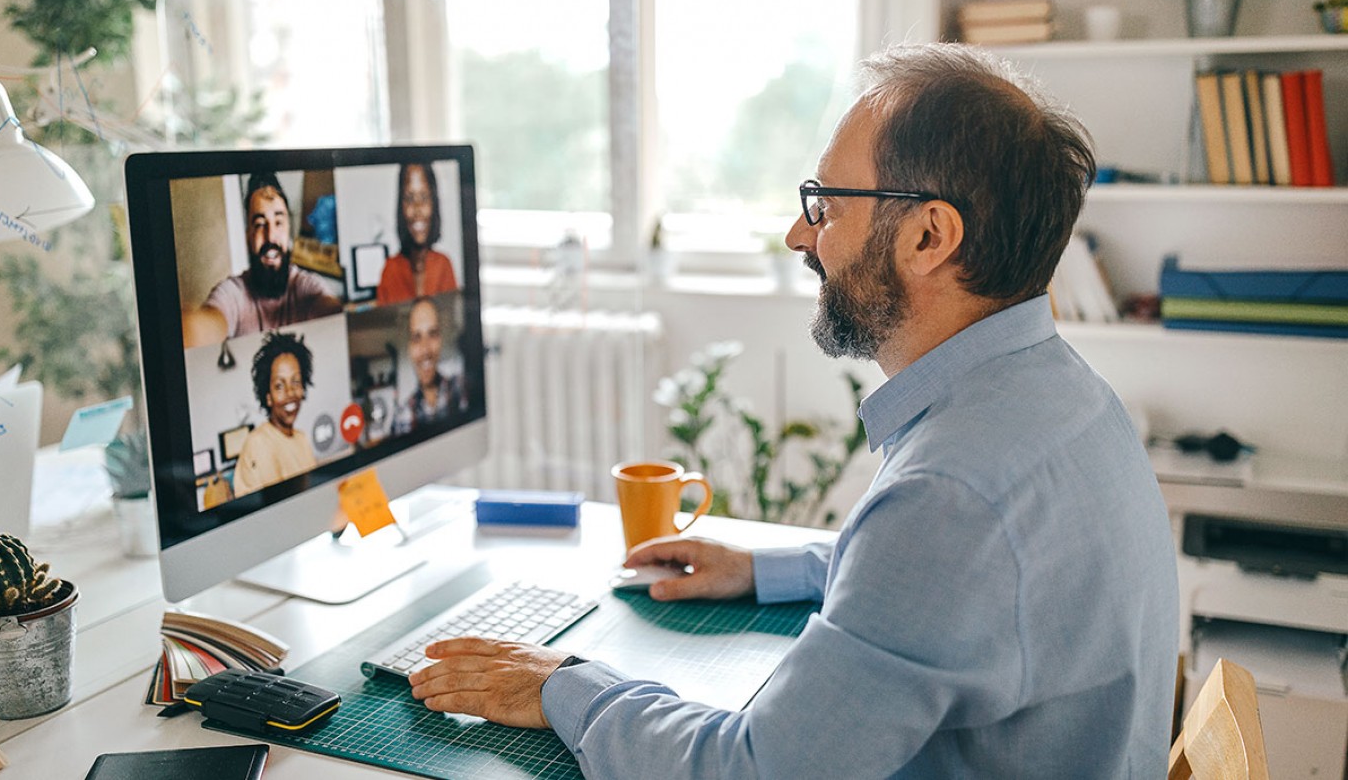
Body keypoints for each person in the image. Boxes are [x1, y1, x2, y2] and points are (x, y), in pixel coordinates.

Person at [406, 43, 1179, 778]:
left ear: (928, 234)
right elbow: (954, 595)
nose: (798, 235)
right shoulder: (1064, 398)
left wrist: (563, 685)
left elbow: (751, 768)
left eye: (826, 205)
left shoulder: (952, 495)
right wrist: (765, 569)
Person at [183, 173, 343, 347]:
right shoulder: (232, 294)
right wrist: (189, 327)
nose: (270, 236)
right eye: (260, 224)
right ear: (248, 236)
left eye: (279, 222)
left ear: (289, 230)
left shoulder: (307, 285)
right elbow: (205, 326)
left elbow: (331, 313)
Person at [232, 331, 318, 497]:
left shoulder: (302, 438)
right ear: (268, 397)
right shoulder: (259, 443)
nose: (290, 392)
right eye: (279, 385)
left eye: (296, 382)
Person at [376, 162, 459, 305]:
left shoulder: (443, 265)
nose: (418, 209)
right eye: (409, 198)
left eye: (424, 197)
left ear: (434, 204)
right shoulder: (390, 269)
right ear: (401, 207)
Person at [393, 297, 467, 433]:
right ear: (409, 347)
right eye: (416, 338)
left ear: (441, 338)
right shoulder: (402, 415)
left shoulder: (463, 390)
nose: (425, 350)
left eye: (432, 334)